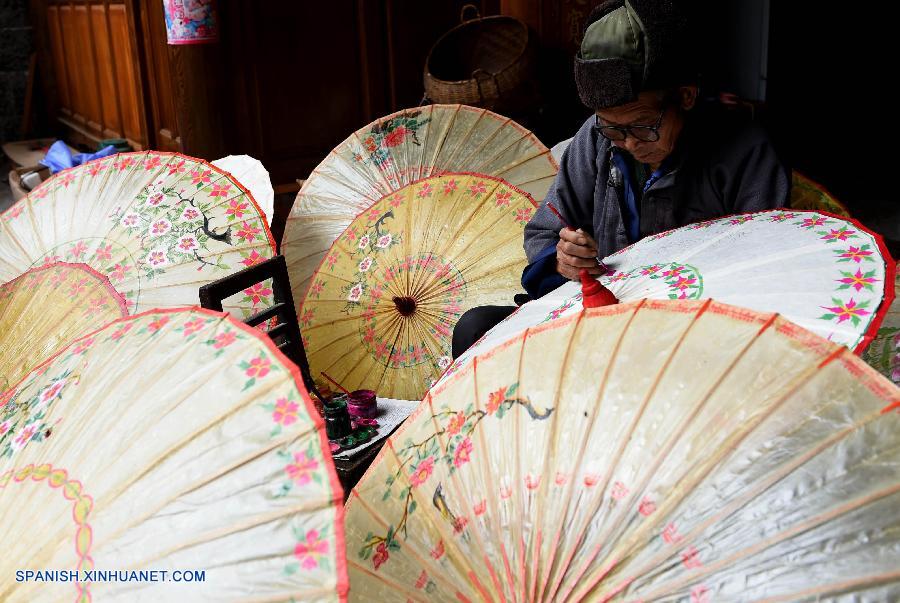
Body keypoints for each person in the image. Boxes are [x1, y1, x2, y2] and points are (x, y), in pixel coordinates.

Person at [452, 0, 790, 358]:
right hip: (603, 316)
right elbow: (544, 231)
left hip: (693, 327)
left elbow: (764, 263)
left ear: (686, 97)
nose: (628, 143)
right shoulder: (596, 139)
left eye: (643, 126)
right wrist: (561, 258)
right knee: (476, 328)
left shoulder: (744, 151)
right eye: (613, 128)